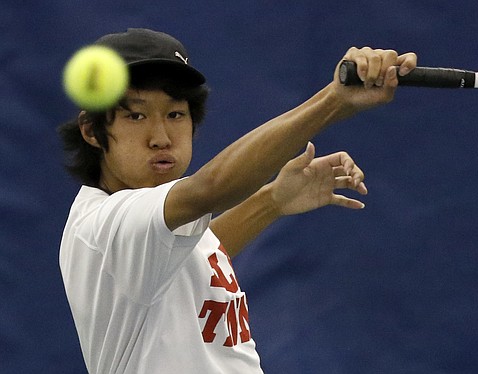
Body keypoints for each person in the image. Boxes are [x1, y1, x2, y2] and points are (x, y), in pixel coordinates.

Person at [58, 28, 416, 373]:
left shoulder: (151, 234)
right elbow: (209, 189)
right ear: (91, 131)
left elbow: (195, 258)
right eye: (135, 115)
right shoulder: (107, 223)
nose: (161, 137)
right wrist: (333, 101)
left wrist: (271, 200)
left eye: (175, 114)